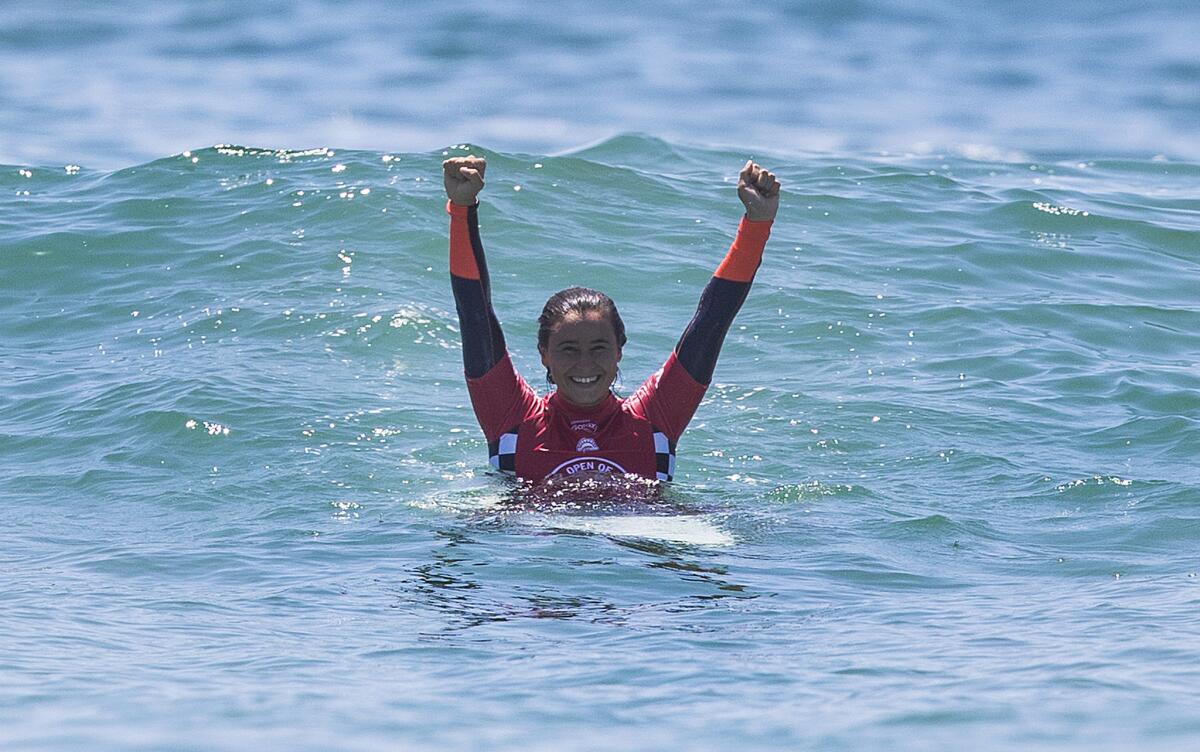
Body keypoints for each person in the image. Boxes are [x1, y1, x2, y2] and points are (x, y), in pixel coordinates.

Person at [443, 155, 779, 484]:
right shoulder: (512, 417)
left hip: (637, 533)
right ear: (543, 352)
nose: (585, 364)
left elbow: (712, 321)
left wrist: (757, 224)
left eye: (599, 347)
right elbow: (474, 313)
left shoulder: (653, 419)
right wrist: (461, 208)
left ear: (620, 350)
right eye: (569, 349)